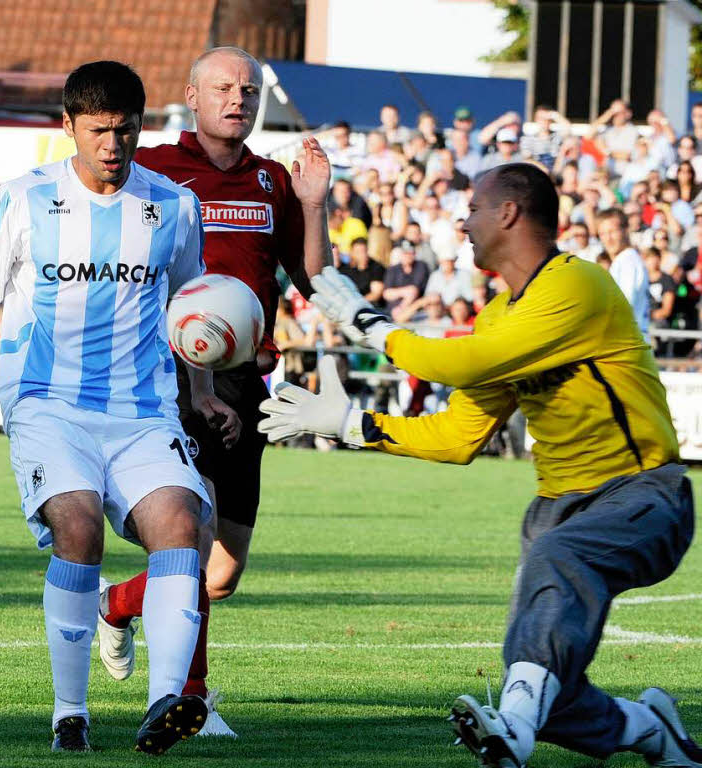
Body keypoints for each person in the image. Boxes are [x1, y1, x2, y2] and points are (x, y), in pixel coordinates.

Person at [259, 162, 700, 768]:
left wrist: (370, 325)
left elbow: (465, 363)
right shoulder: (499, 315)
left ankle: (511, 733)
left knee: (554, 575)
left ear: (509, 214)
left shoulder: (578, 288)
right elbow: (460, 434)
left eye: (472, 210)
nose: (462, 223)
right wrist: (352, 426)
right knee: (551, 689)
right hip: (557, 511)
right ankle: (653, 732)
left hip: (645, 495)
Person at [0, 60, 240, 755]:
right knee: (79, 530)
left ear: (142, 127)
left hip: (141, 411)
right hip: (47, 404)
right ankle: (68, 711)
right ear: (68, 126)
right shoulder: (24, 198)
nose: (113, 145)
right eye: (99, 131)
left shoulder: (173, 206)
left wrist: (201, 393)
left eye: (126, 131)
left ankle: (166, 700)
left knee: (184, 527)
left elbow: (191, 313)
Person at [95, 46, 332, 737]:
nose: (239, 98)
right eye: (224, 87)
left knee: (221, 574)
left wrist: (314, 205)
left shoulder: (272, 182)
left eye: (250, 89)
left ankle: (118, 604)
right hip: (165, 379)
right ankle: (191, 699)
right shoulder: (153, 173)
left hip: (247, 380)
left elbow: (314, 280)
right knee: (188, 542)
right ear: (192, 97)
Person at [597, 208, 650, 335]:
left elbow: (623, 307)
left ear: (626, 231)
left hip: (627, 342)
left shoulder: (627, 261)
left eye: (612, 231)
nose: (608, 239)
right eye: (602, 234)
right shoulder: (624, 260)